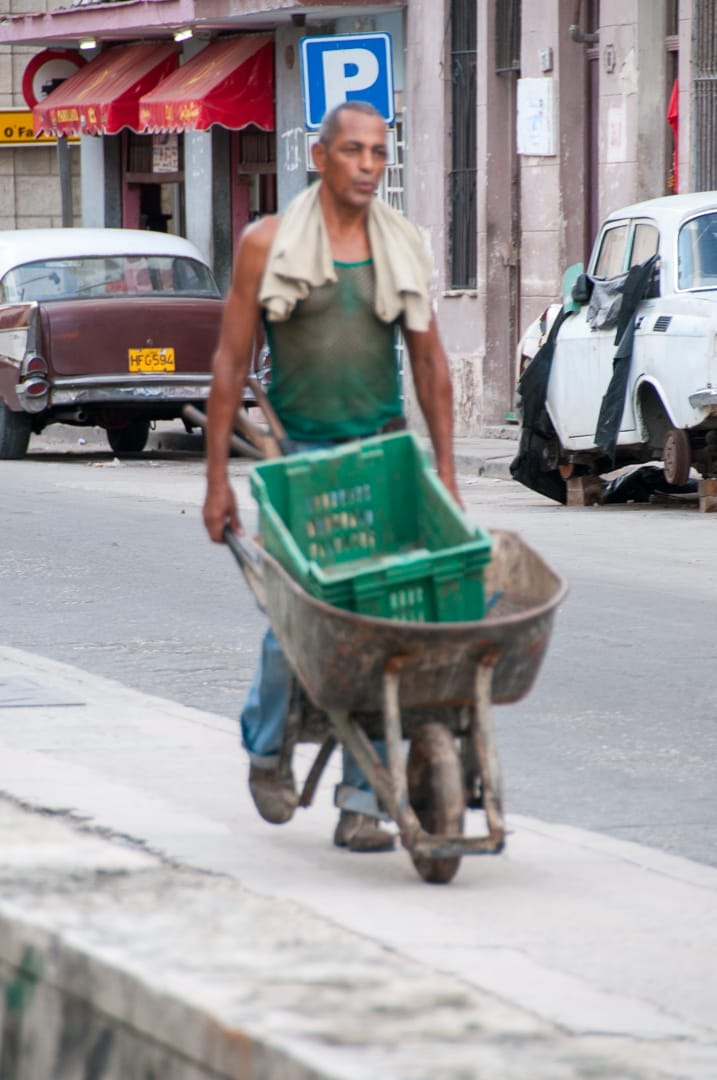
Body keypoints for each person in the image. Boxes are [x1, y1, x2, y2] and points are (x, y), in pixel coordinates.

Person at [203, 100, 460, 852]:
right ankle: (266, 748)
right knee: (299, 623)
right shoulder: (267, 244)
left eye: (379, 153)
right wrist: (217, 480)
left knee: (386, 625)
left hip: (382, 453)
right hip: (300, 459)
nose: (368, 166)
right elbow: (228, 364)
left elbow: (429, 364)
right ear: (319, 157)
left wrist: (443, 471)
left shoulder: (399, 246)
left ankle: (361, 797)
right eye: (352, 151)